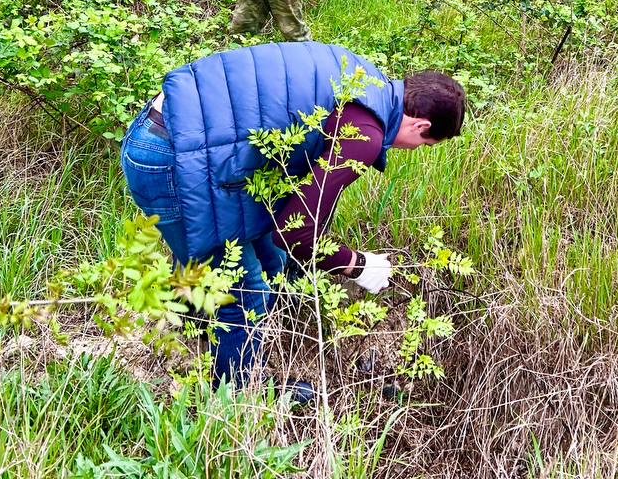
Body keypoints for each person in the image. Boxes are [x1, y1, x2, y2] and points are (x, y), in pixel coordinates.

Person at [119, 41, 466, 388]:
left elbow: (284, 225)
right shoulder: (365, 136)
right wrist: (358, 265)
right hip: (171, 158)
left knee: (270, 263)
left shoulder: (362, 77)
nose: (415, 148)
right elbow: (293, 232)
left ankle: (191, 330)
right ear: (420, 126)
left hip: (163, 128)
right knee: (244, 296)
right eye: (426, 144)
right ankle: (236, 398)